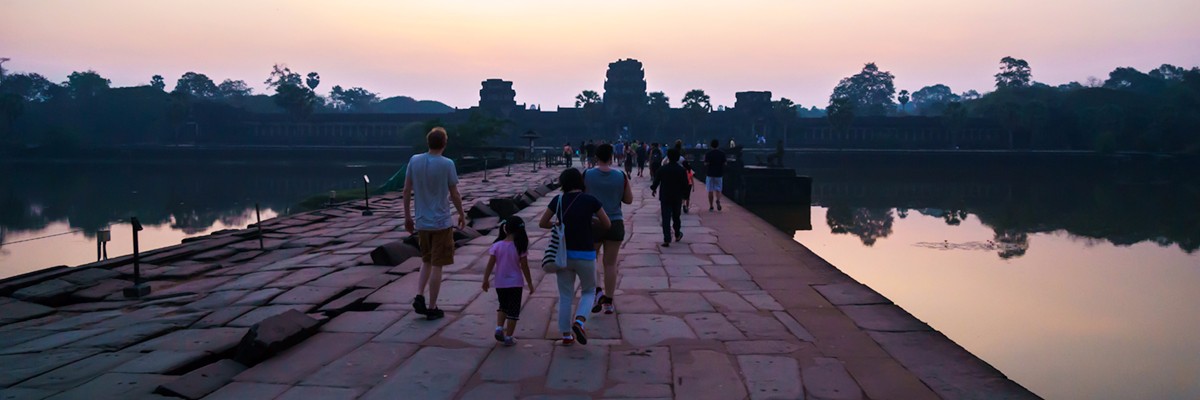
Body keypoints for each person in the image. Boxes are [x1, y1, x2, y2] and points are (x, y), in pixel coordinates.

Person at [540, 169, 610, 345]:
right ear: (581, 182)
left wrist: (557, 225)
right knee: (588, 291)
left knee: (565, 295)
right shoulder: (590, 200)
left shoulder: (559, 200)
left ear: (563, 183)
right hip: (586, 253)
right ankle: (579, 322)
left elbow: (542, 223)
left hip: (563, 255)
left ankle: (565, 335)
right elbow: (607, 223)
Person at [404, 127, 466, 321]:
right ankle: (432, 307)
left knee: (427, 260)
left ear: (428, 142)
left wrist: (408, 217)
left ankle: (420, 295)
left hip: (422, 221)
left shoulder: (414, 160)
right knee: (438, 264)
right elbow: (454, 193)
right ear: (444, 144)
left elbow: (406, 190)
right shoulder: (447, 164)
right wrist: (462, 213)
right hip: (441, 222)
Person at [584, 144, 633, 315]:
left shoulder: (587, 175)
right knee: (610, 264)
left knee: (592, 260)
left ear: (596, 157)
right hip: (614, 222)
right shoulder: (620, 175)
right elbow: (628, 200)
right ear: (612, 156)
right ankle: (609, 302)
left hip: (593, 223)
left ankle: (597, 292)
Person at [481, 216, 534, 347]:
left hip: (500, 282)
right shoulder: (520, 246)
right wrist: (530, 283)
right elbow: (525, 266)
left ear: (505, 228)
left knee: (502, 306)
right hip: (515, 283)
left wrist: (485, 279)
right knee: (513, 311)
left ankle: (499, 328)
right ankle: (509, 337)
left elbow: (490, 264)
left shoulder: (497, 245)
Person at [651, 148, 689, 246]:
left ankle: (667, 238)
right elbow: (685, 184)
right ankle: (677, 234)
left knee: (666, 217)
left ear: (668, 157)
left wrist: (653, 188)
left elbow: (656, 181)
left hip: (665, 196)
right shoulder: (681, 170)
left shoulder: (663, 169)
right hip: (677, 196)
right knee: (676, 216)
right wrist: (685, 196)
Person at [704, 139, 727, 212]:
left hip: (710, 174)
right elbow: (725, 163)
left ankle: (711, 206)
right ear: (718, 145)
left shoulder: (708, 153)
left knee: (710, 190)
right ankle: (718, 200)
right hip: (719, 174)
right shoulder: (722, 153)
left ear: (711, 145)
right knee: (718, 189)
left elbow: (705, 163)